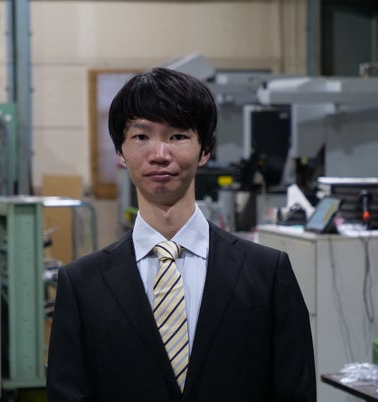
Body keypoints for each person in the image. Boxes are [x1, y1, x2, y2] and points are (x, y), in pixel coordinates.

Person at [46, 67, 316, 402]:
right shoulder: (82, 285)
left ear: (205, 150)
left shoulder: (268, 274)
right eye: (141, 136)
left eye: (177, 136)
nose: (160, 155)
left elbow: (295, 394)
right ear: (120, 151)